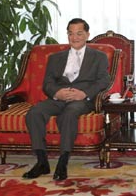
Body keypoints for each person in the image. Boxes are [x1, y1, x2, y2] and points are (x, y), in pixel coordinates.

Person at [22, 18, 110, 181]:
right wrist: (58, 93)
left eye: (79, 33)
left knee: (69, 114)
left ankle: (63, 162)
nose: (74, 37)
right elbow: (47, 83)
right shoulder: (56, 57)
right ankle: (42, 162)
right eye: (71, 34)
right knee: (34, 113)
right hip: (58, 98)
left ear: (87, 35)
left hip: (82, 100)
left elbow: (104, 81)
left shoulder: (99, 56)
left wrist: (84, 93)